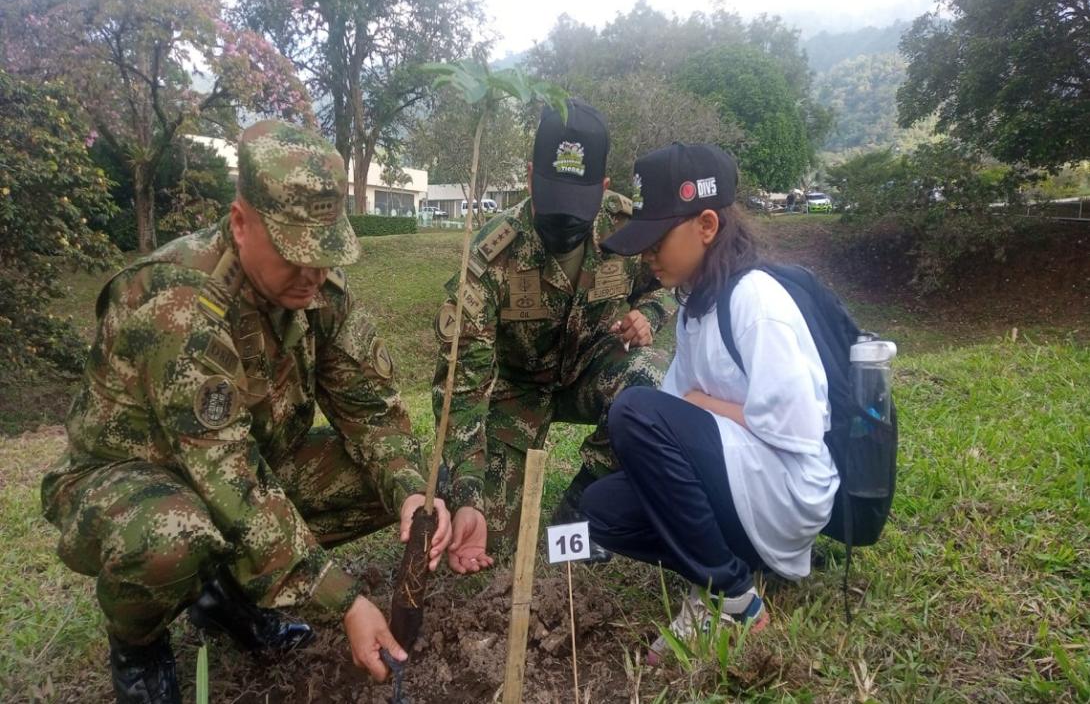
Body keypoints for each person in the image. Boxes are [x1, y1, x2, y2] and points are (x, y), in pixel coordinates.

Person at [41, 120, 452, 703]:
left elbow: (372, 411)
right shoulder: (178, 300)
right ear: (240, 222)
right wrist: (345, 599)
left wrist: (411, 490)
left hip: (246, 469)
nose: (312, 273)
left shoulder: (316, 292)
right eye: (293, 252)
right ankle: (138, 644)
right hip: (133, 483)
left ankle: (225, 598)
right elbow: (226, 475)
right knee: (173, 536)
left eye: (325, 251)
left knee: (384, 479)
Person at [582, 143, 840, 663]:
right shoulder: (696, 308)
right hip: (746, 485)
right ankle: (727, 560)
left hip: (788, 493)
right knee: (600, 511)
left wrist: (704, 404)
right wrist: (696, 408)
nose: (648, 256)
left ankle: (731, 598)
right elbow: (680, 419)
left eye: (658, 239)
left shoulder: (755, 302)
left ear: (706, 225)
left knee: (632, 409)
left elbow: (800, 429)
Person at [432, 100, 676, 566]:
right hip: (515, 394)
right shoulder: (491, 258)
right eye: (553, 202)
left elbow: (671, 283)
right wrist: (467, 490)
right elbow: (461, 387)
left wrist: (650, 314)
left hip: (592, 373)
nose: (565, 222)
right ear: (529, 177)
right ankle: (456, 485)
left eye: (579, 206)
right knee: (488, 538)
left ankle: (579, 515)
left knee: (653, 381)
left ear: (603, 189)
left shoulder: (626, 227)